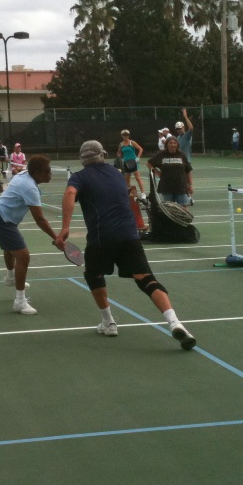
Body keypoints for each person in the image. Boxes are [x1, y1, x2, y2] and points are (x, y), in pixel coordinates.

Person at [55, 140, 196, 350]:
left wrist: (65, 227)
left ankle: (108, 322)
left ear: (82, 159)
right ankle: (175, 322)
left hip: (101, 238)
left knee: (94, 275)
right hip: (129, 236)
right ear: (103, 155)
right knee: (146, 279)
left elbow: (69, 193)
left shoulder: (79, 177)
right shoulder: (116, 174)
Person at [0, 154, 58, 315]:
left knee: (10, 247)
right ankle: (20, 302)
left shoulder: (25, 174)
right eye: (47, 172)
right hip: (1, 219)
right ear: (37, 173)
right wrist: (56, 238)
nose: (50, 174)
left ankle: (10, 277)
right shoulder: (30, 188)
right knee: (23, 256)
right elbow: (40, 219)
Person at [147, 135, 193, 206]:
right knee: (170, 207)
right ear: (167, 144)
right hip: (166, 186)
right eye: (170, 143)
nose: (172, 145)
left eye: (174, 143)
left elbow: (188, 171)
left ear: (177, 144)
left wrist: (190, 185)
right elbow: (149, 163)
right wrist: (158, 173)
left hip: (180, 186)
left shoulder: (181, 155)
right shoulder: (162, 155)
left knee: (183, 206)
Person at [117, 129, 145, 197]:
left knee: (138, 178)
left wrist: (138, 157)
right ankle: (129, 193)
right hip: (126, 163)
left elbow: (140, 149)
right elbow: (119, 152)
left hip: (133, 162)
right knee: (127, 179)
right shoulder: (121, 144)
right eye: (124, 135)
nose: (125, 136)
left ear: (128, 135)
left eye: (127, 135)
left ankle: (143, 193)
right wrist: (119, 158)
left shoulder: (132, 142)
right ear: (122, 135)